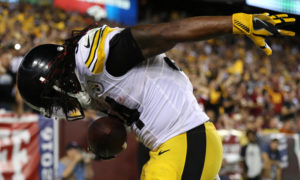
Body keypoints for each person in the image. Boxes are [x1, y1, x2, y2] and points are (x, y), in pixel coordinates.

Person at [17, 13, 295, 179]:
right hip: (182, 147)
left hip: (184, 141)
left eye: (52, 100)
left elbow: (167, 32)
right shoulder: (89, 83)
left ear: (56, 83)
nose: (61, 107)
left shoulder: (94, 60)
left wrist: (235, 23)